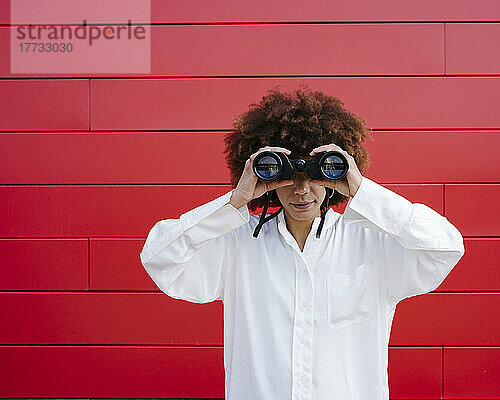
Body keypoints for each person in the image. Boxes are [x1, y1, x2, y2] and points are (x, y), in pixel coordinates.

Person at [139, 85, 465, 400]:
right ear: (267, 178)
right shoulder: (236, 245)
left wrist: (362, 190)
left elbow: (444, 247)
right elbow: (161, 257)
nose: (301, 190)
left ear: (335, 176)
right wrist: (234, 202)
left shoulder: (372, 243)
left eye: (313, 176)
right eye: (287, 177)